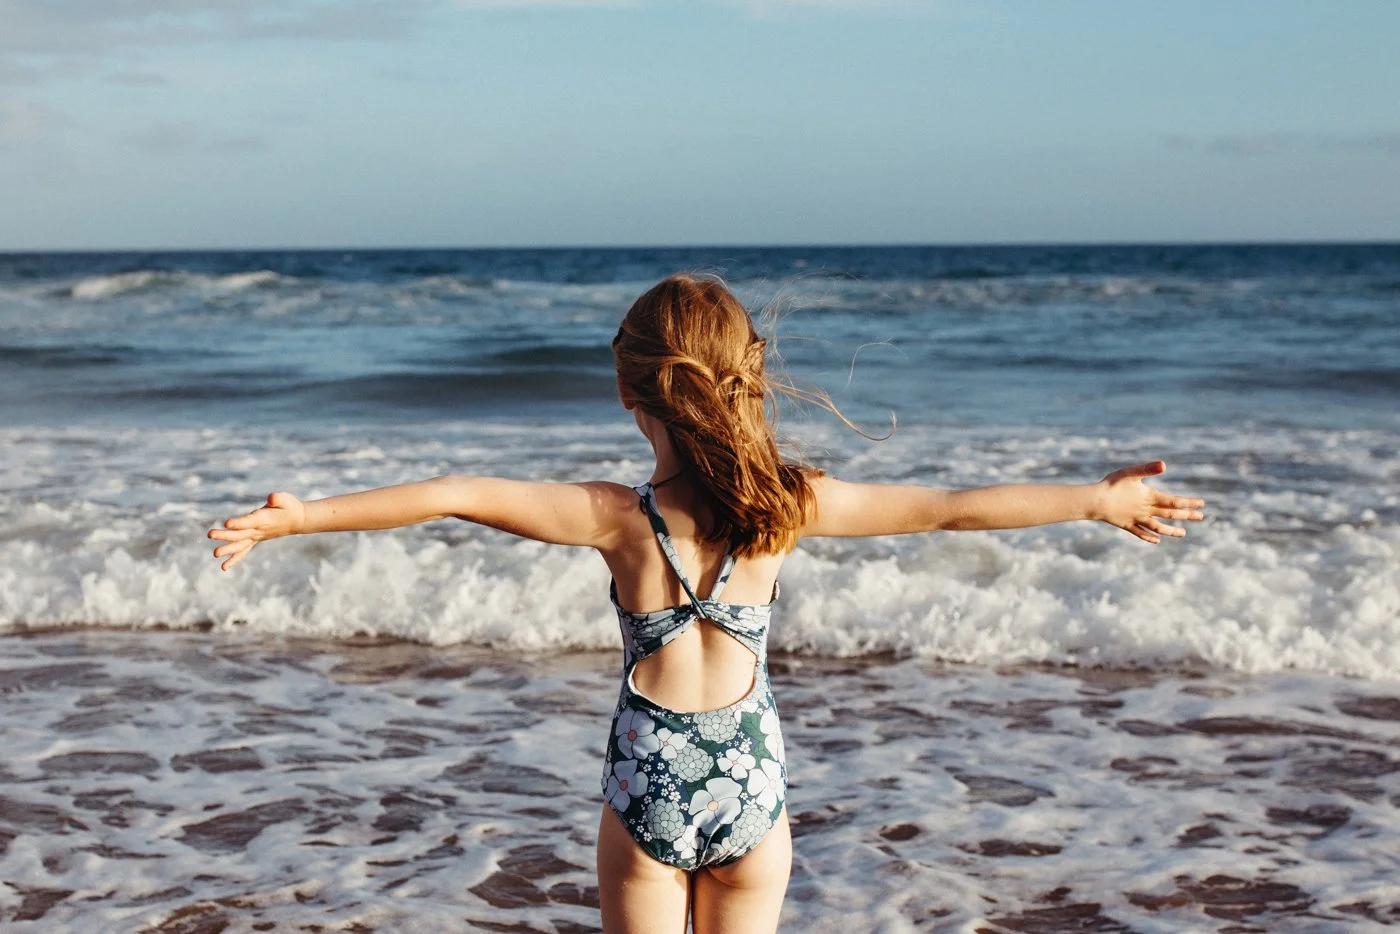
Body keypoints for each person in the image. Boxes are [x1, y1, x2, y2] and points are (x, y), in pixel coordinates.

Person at [208, 272, 1205, 934]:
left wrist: (301, 519)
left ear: (630, 394)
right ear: (749, 379)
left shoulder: (612, 517)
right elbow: (948, 511)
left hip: (646, 789)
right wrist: (1094, 499)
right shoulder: (790, 506)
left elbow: (456, 492)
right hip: (749, 789)